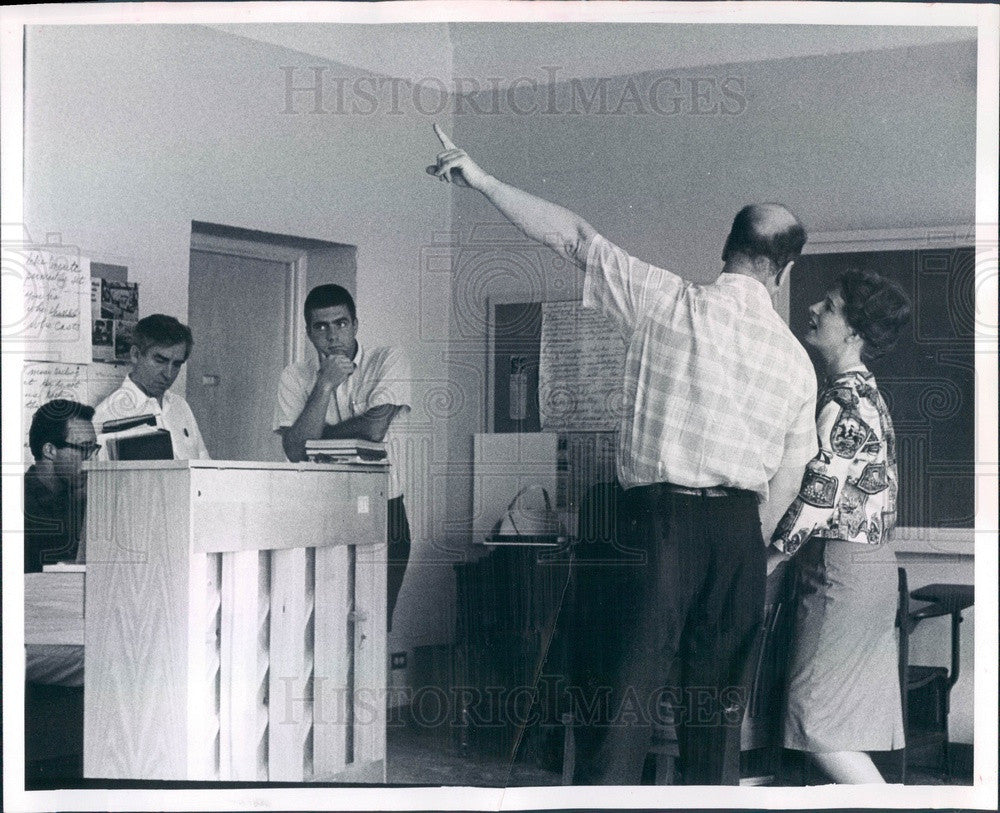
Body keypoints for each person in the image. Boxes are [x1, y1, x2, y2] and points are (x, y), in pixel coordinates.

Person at [427, 125, 818, 785]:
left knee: (620, 703)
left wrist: (484, 180)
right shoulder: (795, 360)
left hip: (656, 527)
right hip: (736, 539)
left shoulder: (666, 300)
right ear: (783, 271)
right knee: (714, 717)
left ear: (727, 250)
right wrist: (750, 544)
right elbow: (790, 473)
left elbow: (573, 237)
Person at [767, 269, 911, 784]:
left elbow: (818, 495)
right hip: (870, 567)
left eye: (827, 306)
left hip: (841, 570)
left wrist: (771, 556)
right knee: (836, 726)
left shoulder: (843, 400)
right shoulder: (867, 393)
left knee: (816, 722)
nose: (813, 310)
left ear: (854, 332)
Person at [274, 284, 412, 630]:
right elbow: (294, 452)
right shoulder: (296, 376)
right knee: (325, 626)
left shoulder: (387, 359)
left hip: (384, 510)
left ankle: (374, 686)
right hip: (324, 507)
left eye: (341, 323)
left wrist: (313, 439)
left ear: (355, 324)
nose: (333, 335)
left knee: (375, 625)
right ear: (308, 332)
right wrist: (323, 385)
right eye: (321, 327)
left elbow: (375, 429)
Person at [24, 398, 98, 686]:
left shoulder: (78, 498)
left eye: (94, 449)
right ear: (50, 450)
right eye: (83, 450)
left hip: (68, 618)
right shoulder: (18, 504)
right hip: (34, 627)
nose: (91, 459)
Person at [93, 314, 210, 460]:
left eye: (176, 364)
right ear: (135, 355)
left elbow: (204, 467)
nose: (168, 374)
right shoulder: (106, 415)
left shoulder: (181, 407)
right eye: (160, 360)